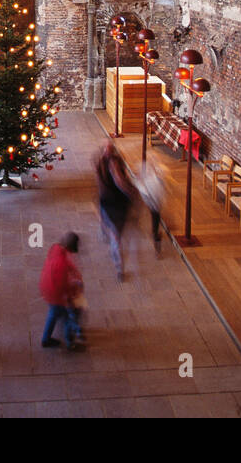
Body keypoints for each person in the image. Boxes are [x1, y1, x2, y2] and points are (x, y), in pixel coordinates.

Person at [94, 140, 138, 280]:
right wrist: (131, 192)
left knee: (113, 232)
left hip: (107, 202)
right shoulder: (113, 162)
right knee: (117, 238)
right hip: (114, 204)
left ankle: (105, 233)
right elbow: (120, 181)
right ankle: (120, 268)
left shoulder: (101, 161)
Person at [39, 232, 86, 352]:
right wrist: (71, 295)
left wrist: (74, 270)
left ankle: (46, 339)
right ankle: (70, 343)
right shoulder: (62, 264)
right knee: (67, 317)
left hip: (46, 287)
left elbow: (64, 264)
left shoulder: (56, 248)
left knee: (53, 313)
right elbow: (62, 285)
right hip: (55, 293)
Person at [137, 162, 165, 256]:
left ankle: (156, 241)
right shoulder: (155, 179)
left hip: (153, 204)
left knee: (155, 224)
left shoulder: (152, 179)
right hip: (154, 204)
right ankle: (156, 240)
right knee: (155, 224)